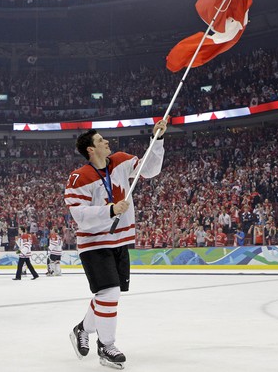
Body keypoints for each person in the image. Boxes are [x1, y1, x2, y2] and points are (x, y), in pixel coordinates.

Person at [65, 119, 167, 369]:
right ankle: (106, 346)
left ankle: (82, 328)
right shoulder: (79, 177)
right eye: (100, 140)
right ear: (90, 149)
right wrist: (110, 210)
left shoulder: (121, 160)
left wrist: (158, 139)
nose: (107, 141)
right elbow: (80, 216)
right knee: (109, 292)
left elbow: (150, 169)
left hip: (119, 240)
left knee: (107, 294)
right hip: (94, 243)